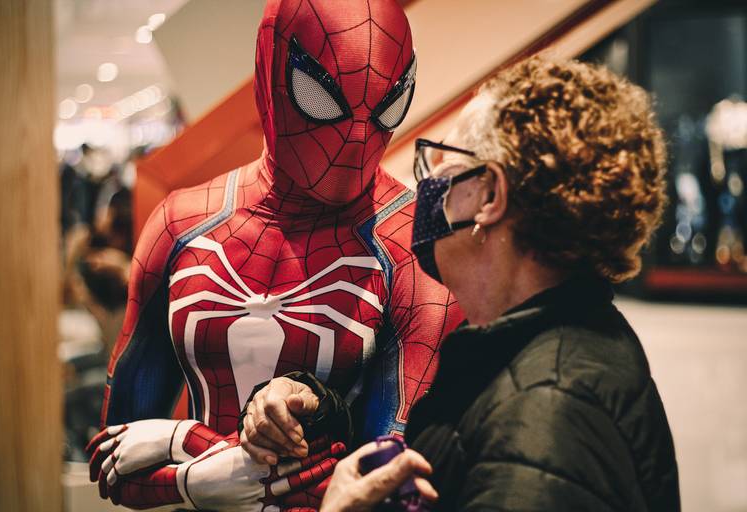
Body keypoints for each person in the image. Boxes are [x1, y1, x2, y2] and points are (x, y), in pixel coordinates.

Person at [243, 55, 681, 511]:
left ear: (490, 195)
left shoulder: (546, 415)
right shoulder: (550, 342)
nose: (424, 187)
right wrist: (321, 412)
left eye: (441, 168)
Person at [85, 0, 463, 510]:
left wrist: (184, 449)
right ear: (271, 70)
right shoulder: (182, 222)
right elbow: (111, 464)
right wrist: (201, 471)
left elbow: (396, 484)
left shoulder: (411, 237)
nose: (354, 139)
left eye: (386, 106)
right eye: (320, 97)